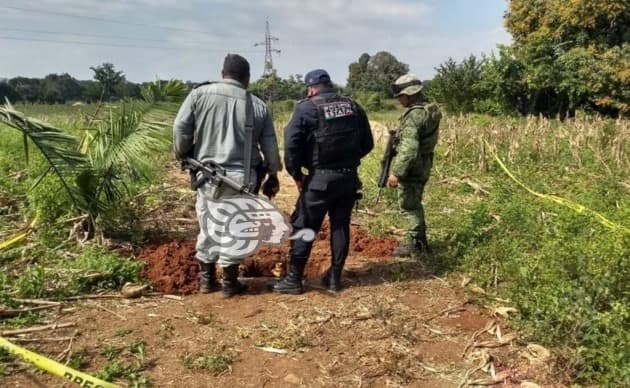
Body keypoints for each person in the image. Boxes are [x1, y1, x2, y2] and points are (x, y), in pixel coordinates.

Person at [173, 54, 282, 297]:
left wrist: (182, 153)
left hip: (206, 175)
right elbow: (270, 147)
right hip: (243, 179)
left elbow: (181, 128)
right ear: (247, 78)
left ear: (222, 73)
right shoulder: (257, 105)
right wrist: (273, 173)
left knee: (208, 223)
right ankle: (230, 284)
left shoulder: (198, 95)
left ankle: (206, 280)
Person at [270, 69, 374, 294]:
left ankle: (294, 280)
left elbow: (291, 146)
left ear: (310, 88)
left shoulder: (306, 108)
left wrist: (297, 175)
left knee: (304, 225)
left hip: (319, 180)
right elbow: (367, 144)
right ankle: (335, 278)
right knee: (340, 225)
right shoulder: (353, 106)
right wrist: (347, 161)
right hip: (348, 178)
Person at [387, 74, 441, 257]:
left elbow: (409, 149)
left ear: (409, 95)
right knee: (415, 202)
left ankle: (415, 244)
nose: (399, 100)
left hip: (413, 165)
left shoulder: (414, 115)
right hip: (424, 162)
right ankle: (421, 241)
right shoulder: (429, 108)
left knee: (409, 205)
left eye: (400, 96)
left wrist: (397, 173)